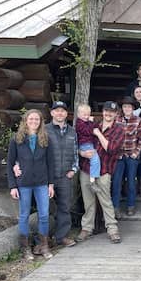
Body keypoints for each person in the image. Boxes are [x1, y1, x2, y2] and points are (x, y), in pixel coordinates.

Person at [7, 109, 55, 260]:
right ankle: (26, 248)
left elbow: (50, 163)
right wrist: (13, 186)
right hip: (24, 183)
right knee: (24, 215)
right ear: (26, 120)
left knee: (44, 215)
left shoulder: (45, 139)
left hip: (41, 182)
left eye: (37, 119)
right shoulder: (17, 139)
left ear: (41, 122)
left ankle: (43, 245)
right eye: (31, 119)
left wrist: (51, 184)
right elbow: (10, 163)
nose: (34, 122)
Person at [76, 101, 125, 244]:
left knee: (105, 200)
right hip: (87, 168)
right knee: (88, 200)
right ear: (103, 111)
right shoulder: (92, 124)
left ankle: (112, 229)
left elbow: (111, 149)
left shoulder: (119, 130)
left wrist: (98, 134)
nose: (108, 114)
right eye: (106, 110)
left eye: (112, 112)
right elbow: (79, 142)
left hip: (104, 170)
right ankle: (87, 228)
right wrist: (82, 153)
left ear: (116, 114)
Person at [43, 101, 78, 248]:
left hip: (65, 176)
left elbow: (76, 153)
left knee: (65, 207)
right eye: (56, 111)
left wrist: (74, 169)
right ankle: (43, 240)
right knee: (45, 208)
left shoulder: (72, 131)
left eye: (63, 111)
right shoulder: (44, 130)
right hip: (47, 176)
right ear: (52, 113)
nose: (60, 113)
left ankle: (61, 237)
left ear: (66, 114)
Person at [112, 96, 141, 219]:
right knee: (116, 182)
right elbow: (112, 137)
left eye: (129, 107)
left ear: (133, 108)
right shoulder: (116, 120)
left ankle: (131, 206)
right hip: (119, 156)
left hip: (132, 155)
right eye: (125, 106)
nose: (127, 109)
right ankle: (115, 207)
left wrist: (136, 153)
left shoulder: (138, 120)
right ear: (122, 108)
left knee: (131, 182)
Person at [75, 103, 101, 191]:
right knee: (95, 159)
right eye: (84, 115)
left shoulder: (86, 123)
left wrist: (92, 122)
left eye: (88, 114)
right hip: (84, 144)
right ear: (78, 115)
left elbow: (96, 128)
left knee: (95, 160)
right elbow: (88, 131)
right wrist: (91, 122)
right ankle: (92, 181)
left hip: (89, 144)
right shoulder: (79, 123)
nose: (86, 117)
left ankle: (93, 179)